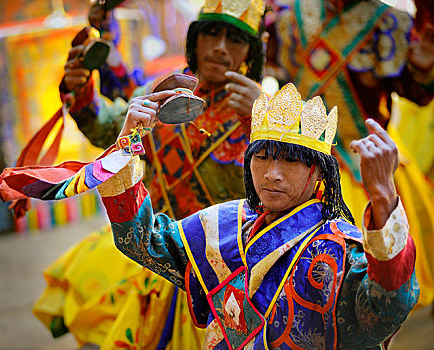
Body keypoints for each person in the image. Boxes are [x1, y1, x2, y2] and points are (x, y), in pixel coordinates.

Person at [92, 82, 419, 348]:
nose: (272, 174)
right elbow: (141, 239)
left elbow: (388, 306)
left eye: (290, 160)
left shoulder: (338, 248)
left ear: (319, 173)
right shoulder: (220, 226)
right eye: (261, 157)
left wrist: (383, 196)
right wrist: (127, 143)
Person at [31, 0, 268, 347]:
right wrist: (80, 89)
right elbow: (104, 128)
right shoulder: (162, 94)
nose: (220, 47)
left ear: (251, 51)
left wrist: (262, 119)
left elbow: (287, 192)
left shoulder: (266, 110)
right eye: (212, 33)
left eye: (235, 38)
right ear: (195, 40)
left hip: (226, 271)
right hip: (155, 250)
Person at [265, 0, 434, 307]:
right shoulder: (287, 20)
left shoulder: (388, 23)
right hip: (299, 164)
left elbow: (418, 92)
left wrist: (423, 66)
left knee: (378, 287)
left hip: (367, 168)